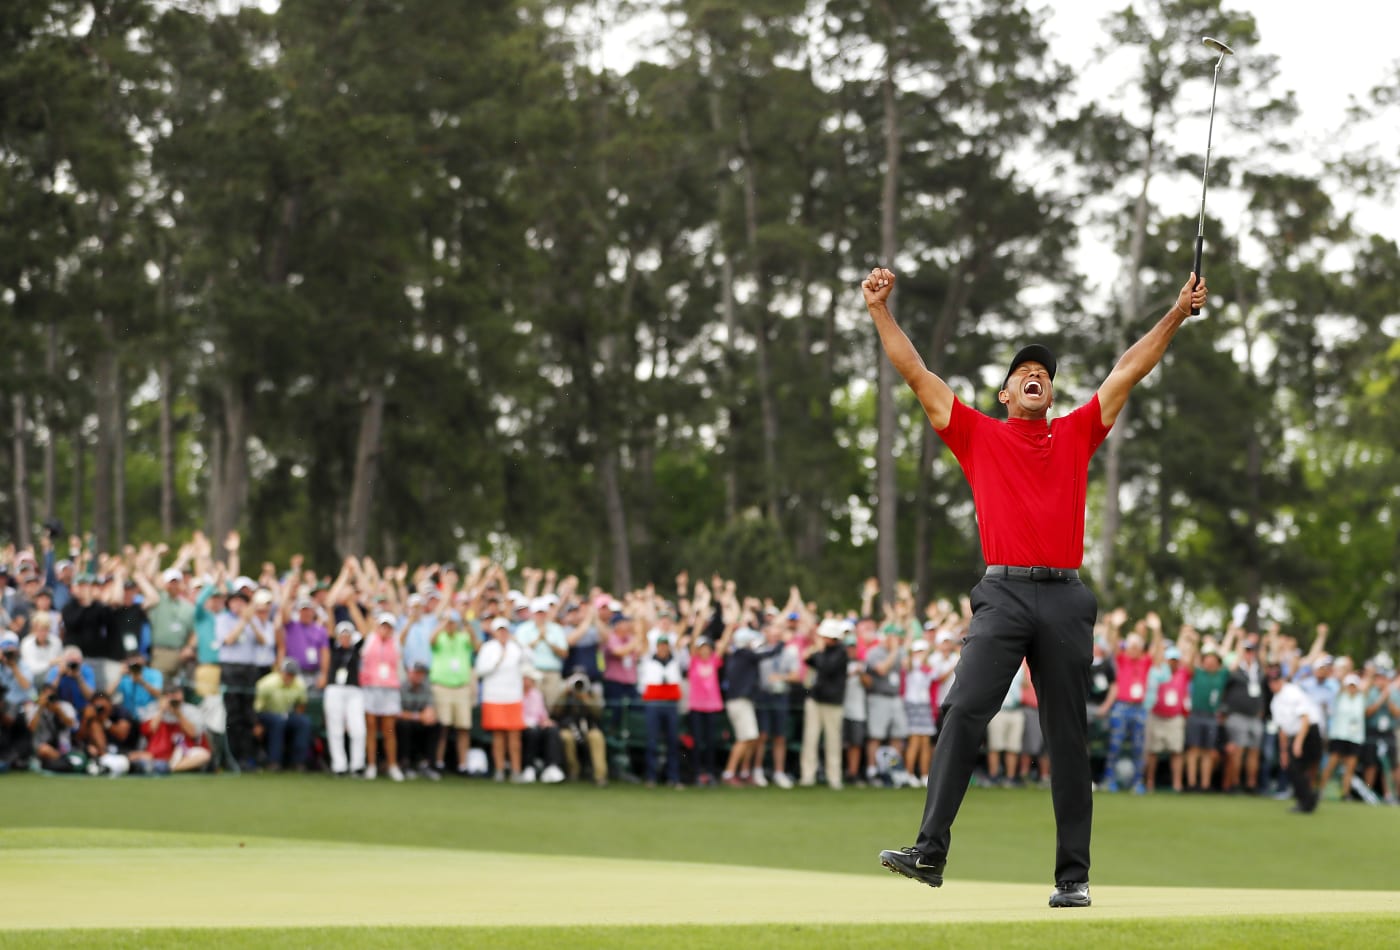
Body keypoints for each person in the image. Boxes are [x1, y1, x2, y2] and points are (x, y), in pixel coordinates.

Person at [868, 263, 1209, 908]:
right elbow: (916, 373)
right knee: (964, 710)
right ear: (1004, 393)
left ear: (1050, 393)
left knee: (1067, 735)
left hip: (1064, 597)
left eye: (1045, 374)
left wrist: (1175, 312)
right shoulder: (977, 435)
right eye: (1024, 372)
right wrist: (881, 311)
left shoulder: (1076, 432)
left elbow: (1130, 369)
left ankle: (1072, 878)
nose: (1036, 376)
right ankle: (930, 852)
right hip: (1001, 595)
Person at [799, 620, 849, 789]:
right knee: (810, 738)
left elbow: (827, 667)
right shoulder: (822, 651)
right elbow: (808, 660)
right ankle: (808, 776)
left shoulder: (841, 652)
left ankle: (834, 777)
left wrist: (817, 651)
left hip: (833, 702)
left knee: (833, 741)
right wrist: (813, 651)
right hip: (815, 699)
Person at [357, 610, 406, 781]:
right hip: (371, 688)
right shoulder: (370, 639)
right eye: (383, 626)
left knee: (389, 730)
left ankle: (392, 766)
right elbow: (363, 623)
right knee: (370, 728)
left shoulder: (397, 642)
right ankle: (371, 766)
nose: (385, 630)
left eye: (389, 627)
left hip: (389, 689)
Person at [476, 616, 527, 781]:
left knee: (514, 737)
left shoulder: (516, 647)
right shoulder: (488, 648)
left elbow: (529, 658)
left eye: (505, 630)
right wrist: (498, 660)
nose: (503, 633)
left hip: (513, 696)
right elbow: (481, 670)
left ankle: (516, 770)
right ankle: (499, 769)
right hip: (494, 696)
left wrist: (517, 642)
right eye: (500, 630)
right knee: (498, 736)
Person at [1268, 667, 1323, 813]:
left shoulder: (1292, 692)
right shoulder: (1275, 702)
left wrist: (1298, 743)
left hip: (1308, 733)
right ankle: (1308, 799)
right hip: (1296, 734)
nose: (1274, 684)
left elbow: (1305, 719)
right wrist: (1284, 752)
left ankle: (1306, 801)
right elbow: (1282, 730)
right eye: (1271, 681)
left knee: (1297, 768)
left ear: (1282, 680)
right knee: (1294, 768)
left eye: (1276, 680)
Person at [131, 683, 211, 774]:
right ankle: (163, 767)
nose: (173, 700)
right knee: (136, 757)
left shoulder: (191, 710)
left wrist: (178, 714)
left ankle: (170, 768)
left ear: (182, 695)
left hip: (183, 753)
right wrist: (161, 711)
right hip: (157, 753)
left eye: (176, 695)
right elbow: (147, 731)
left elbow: (194, 734)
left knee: (204, 755)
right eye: (169, 696)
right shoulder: (153, 708)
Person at [638, 633, 684, 789]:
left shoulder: (675, 660)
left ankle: (674, 777)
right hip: (653, 703)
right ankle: (651, 777)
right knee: (652, 741)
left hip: (671, 704)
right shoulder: (648, 660)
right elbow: (642, 639)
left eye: (666, 645)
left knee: (672, 742)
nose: (663, 647)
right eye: (661, 645)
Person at [324, 619, 367, 777]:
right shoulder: (333, 649)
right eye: (342, 635)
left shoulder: (356, 649)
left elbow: (364, 631)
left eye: (348, 635)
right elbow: (328, 630)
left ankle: (357, 765)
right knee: (335, 728)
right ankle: (339, 766)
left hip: (354, 691)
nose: (345, 638)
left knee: (358, 729)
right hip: (335, 689)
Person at [1185, 646, 1229, 792]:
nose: (1209, 663)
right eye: (1207, 660)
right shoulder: (1198, 673)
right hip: (1196, 714)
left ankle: (1205, 784)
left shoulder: (1221, 675)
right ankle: (1192, 783)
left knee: (1208, 751)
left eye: (1212, 661)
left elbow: (1232, 662)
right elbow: (1189, 664)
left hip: (1211, 716)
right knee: (1194, 750)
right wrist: (1193, 645)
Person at [1318, 673, 1366, 801]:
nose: (1351, 688)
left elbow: (1368, 683)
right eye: (1349, 685)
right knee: (1331, 765)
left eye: (1354, 685)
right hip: (1339, 735)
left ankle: (1346, 793)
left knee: (1350, 767)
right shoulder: (1339, 697)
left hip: (1355, 737)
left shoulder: (1361, 698)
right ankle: (1320, 790)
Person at [554, 671, 608, 786]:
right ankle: (573, 771)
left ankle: (600, 776)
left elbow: (598, 714)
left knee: (596, 736)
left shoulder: (592, 694)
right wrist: (565, 694)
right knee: (565, 736)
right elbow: (555, 712)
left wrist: (586, 700)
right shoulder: (566, 695)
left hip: (588, 728)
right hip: (570, 728)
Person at [520, 669, 565, 784]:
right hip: (521, 727)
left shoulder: (536, 694)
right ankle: (528, 767)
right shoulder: (515, 694)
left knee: (552, 730)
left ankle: (551, 767)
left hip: (536, 725)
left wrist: (546, 721)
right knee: (533, 732)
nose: (532, 682)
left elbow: (542, 715)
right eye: (530, 679)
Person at [397, 662, 440, 779]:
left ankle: (428, 764)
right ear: (410, 673)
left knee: (435, 725)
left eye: (422, 674)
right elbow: (398, 713)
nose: (419, 676)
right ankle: (405, 764)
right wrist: (418, 716)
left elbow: (430, 711)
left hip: (420, 722)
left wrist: (426, 715)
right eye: (417, 673)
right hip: (403, 723)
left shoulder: (426, 688)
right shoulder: (401, 687)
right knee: (404, 726)